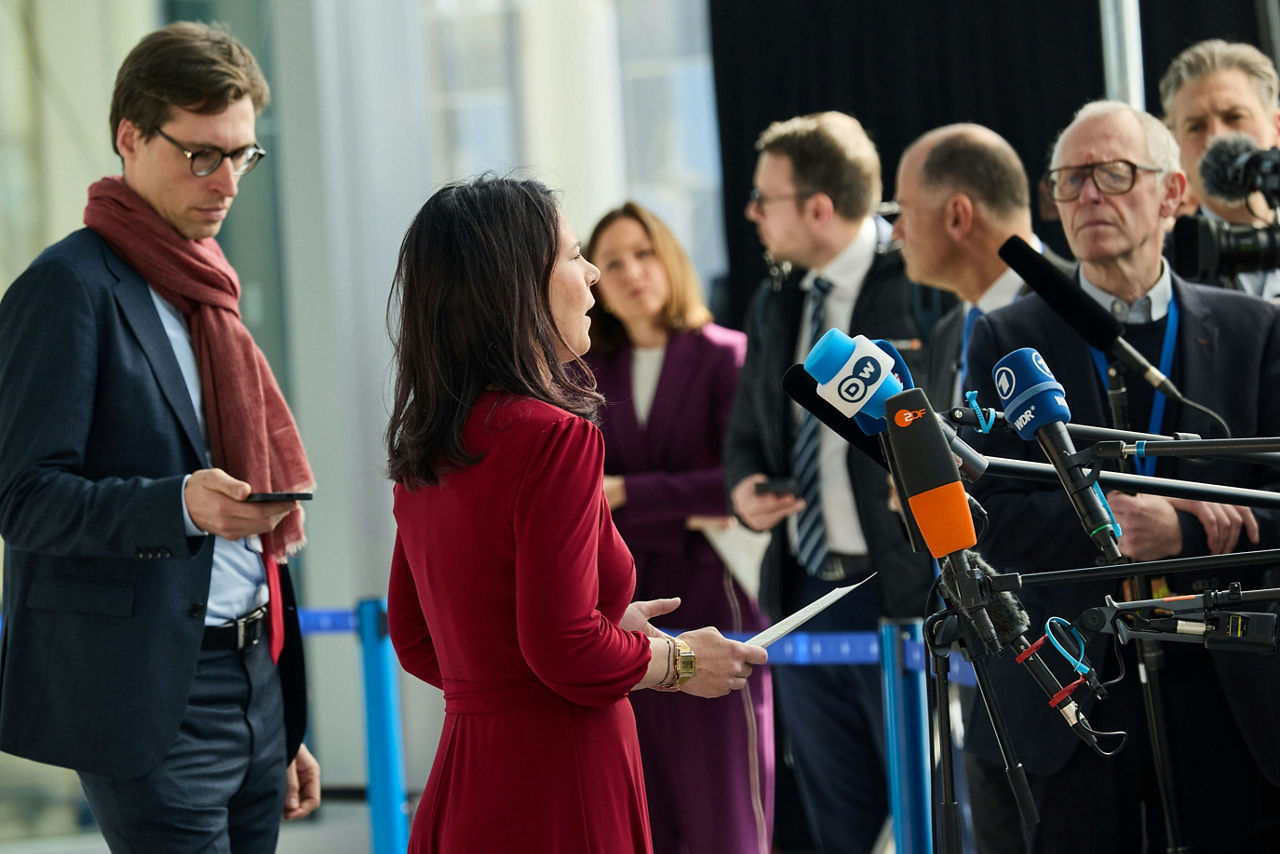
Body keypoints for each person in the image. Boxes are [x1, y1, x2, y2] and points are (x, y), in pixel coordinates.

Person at [0, 21, 320, 853]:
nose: (227, 182)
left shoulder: (210, 292)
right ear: (130, 137)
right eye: (201, 153)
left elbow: (259, 534)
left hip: (254, 683)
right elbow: (26, 500)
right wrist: (178, 504)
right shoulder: (66, 290)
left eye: (243, 155)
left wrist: (283, 718)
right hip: (149, 699)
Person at [384, 176, 768, 854]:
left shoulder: (432, 440)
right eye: (575, 254)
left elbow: (421, 640)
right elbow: (562, 649)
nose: (592, 274)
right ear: (520, 285)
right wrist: (674, 660)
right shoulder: (551, 435)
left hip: (468, 773)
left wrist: (559, 658)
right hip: (563, 779)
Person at [962, 100, 1280, 853]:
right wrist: (1115, 522)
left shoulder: (1254, 331)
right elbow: (985, 517)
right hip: (1077, 692)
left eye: (1112, 174)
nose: (1087, 198)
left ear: (1173, 194)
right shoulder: (1007, 337)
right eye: (1068, 182)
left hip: (1224, 684)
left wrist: (1185, 528)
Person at [724, 111, 934, 853]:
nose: (750, 213)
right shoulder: (776, 298)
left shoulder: (921, 282)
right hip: (806, 594)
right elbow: (746, 432)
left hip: (907, 596)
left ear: (818, 207)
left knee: (931, 821)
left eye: (764, 198)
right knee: (839, 823)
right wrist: (745, 491)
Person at [583, 201, 773, 854]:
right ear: (594, 282)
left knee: (725, 813)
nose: (632, 271)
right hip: (619, 606)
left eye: (643, 252)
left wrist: (627, 493)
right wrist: (670, 499)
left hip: (710, 592)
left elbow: (737, 485)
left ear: (670, 257)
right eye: (611, 261)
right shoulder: (584, 374)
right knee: (644, 812)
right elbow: (579, 492)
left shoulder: (725, 355)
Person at [893, 123, 1073, 410]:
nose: (895, 232)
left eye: (904, 212)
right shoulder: (947, 334)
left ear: (957, 216)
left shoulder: (1076, 311)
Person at [1160, 39, 1280, 298]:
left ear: (1277, 128)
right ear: (1175, 146)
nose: (1216, 137)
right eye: (1196, 127)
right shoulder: (1160, 272)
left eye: (1234, 117)